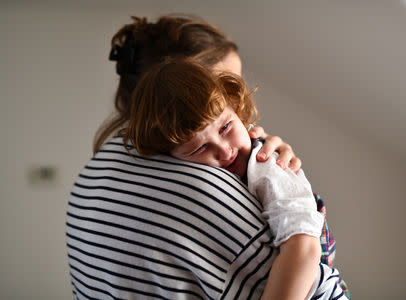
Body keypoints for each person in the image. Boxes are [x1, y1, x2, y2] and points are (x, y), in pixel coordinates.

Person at [66, 15, 347, 299]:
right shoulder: (192, 187)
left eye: (232, 88)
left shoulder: (94, 173)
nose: (239, 100)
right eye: (218, 83)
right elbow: (311, 271)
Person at [122, 57, 348, 299]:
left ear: (237, 109)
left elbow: (303, 248)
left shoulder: (266, 166)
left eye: (225, 128)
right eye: (200, 148)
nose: (224, 150)